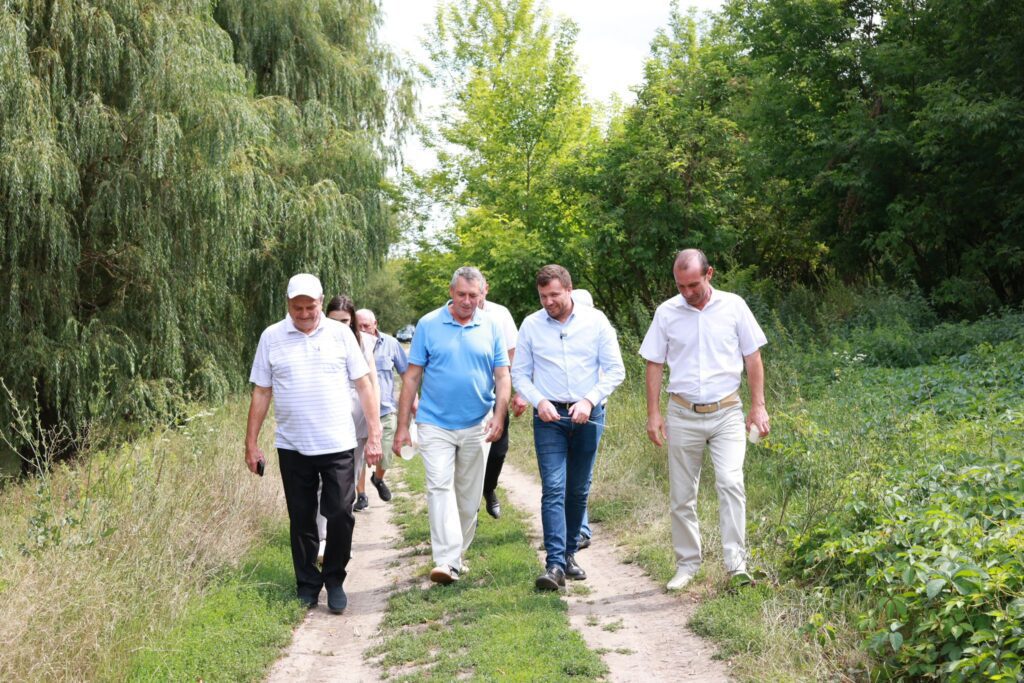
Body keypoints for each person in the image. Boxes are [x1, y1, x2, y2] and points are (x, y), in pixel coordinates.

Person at [246, 274, 383, 614]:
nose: (305, 313)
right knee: (302, 518)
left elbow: (364, 385)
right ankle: (307, 584)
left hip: (337, 443)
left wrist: (374, 434)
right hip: (293, 445)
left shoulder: (340, 334)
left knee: (340, 513)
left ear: (321, 302)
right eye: (298, 308)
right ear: (288, 304)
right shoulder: (272, 337)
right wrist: (251, 443)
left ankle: (334, 578)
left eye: (310, 307)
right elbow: (262, 391)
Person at [639, 249, 769, 590]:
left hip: (727, 411)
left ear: (709, 273)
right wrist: (653, 413)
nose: (687, 292)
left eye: (693, 285)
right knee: (682, 495)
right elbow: (654, 363)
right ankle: (687, 565)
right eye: (680, 286)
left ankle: (736, 565)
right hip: (682, 413)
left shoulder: (734, 306)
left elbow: (753, 357)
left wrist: (758, 406)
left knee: (730, 483)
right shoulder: (666, 313)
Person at [392, 267, 511, 585]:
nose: (467, 301)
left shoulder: (492, 325)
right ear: (451, 292)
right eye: (461, 295)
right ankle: (446, 560)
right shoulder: (429, 324)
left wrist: (499, 416)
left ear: (482, 293)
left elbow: (502, 375)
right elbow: (412, 377)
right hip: (434, 422)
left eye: (473, 295)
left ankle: (456, 557)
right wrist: (403, 426)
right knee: (439, 487)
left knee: (469, 498)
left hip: (477, 423)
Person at [512, 265, 625, 591]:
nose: (548, 302)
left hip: (587, 415)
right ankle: (554, 565)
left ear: (569, 290)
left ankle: (570, 554)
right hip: (549, 419)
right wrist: (539, 401)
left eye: (554, 295)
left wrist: (589, 400)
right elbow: (520, 374)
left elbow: (615, 370)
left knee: (578, 489)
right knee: (553, 487)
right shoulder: (531, 325)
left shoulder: (596, 321)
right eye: (543, 296)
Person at [323, 296, 379, 553]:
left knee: (347, 484)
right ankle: (322, 539)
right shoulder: (317, 340)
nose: (340, 326)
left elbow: (372, 383)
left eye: (345, 321)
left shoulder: (364, 342)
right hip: (327, 417)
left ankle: (341, 541)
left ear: (353, 321)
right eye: (334, 321)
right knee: (322, 484)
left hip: (356, 418)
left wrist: (374, 425)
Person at [355, 307, 410, 504]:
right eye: (358, 326)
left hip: (385, 410)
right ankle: (361, 495)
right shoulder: (350, 344)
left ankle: (378, 479)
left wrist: (415, 404)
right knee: (359, 457)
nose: (362, 330)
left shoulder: (391, 344)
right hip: (358, 412)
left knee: (385, 453)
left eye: (366, 326)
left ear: (375, 324)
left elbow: (407, 374)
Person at [477, 276, 518, 520]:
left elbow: (513, 352)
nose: (473, 299)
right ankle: (469, 511)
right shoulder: (452, 315)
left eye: (478, 292)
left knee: (498, 450)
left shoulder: (500, 314)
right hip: (467, 394)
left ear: (486, 290)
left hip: (496, 390)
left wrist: (516, 389)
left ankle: (489, 487)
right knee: (468, 454)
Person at [569, 288, 595, 550]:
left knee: (581, 474)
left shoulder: (597, 332)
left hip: (591, 414)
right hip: (558, 412)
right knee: (558, 478)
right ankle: (566, 532)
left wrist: (590, 402)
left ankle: (581, 530)